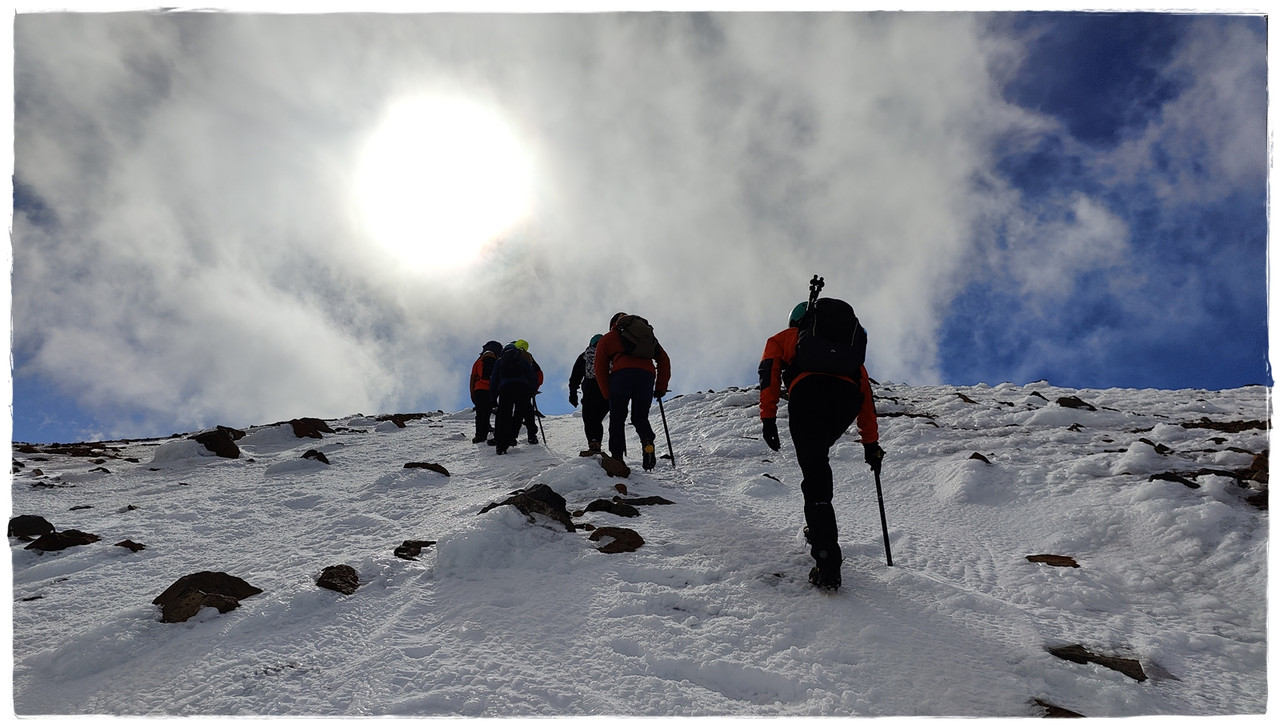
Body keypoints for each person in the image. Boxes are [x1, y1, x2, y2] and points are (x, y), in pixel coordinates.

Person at [758, 301, 883, 591]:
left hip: (809, 395)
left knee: (814, 473)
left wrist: (768, 417)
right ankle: (818, 529)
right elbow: (865, 396)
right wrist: (871, 444)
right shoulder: (849, 353)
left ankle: (826, 559)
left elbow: (770, 372)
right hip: (845, 402)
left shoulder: (787, 338)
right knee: (817, 462)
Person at [593, 312, 672, 472]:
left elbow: (599, 367)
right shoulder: (648, 336)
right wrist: (660, 387)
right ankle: (647, 442)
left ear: (614, 324)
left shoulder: (609, 337)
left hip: (621, 376)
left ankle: (617, 458)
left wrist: (607, 393)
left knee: (617, 418)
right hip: (646, 378)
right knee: (640, 417)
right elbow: (664, 360)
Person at [489, 341, 541, 455]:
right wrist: (532, 389)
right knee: (519, 414)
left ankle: (501, 446)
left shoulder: (499, 361)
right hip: (522, 388)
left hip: (505, 389)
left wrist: (493, 397)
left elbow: (494, 380)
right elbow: (531, 375)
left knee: (504, 415)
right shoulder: (522, 359)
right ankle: (512, 437)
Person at [568, 333, 608, 455]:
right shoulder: (610, 355)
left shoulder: (585, 356)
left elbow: (575, 376)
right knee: (597, 421)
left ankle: (593, 443)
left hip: (590, 391)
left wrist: (573, 393)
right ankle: (597, 444)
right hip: (606, 391)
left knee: (590, 419)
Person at [468, 340, 503, 443]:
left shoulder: (478, 362)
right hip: (491, 391)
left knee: (480, 413)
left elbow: (473, 377)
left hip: (479, 389)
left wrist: (472, 393)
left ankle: (479, 435)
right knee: (487, 412)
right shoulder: (498, 362)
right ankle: (486, 431)